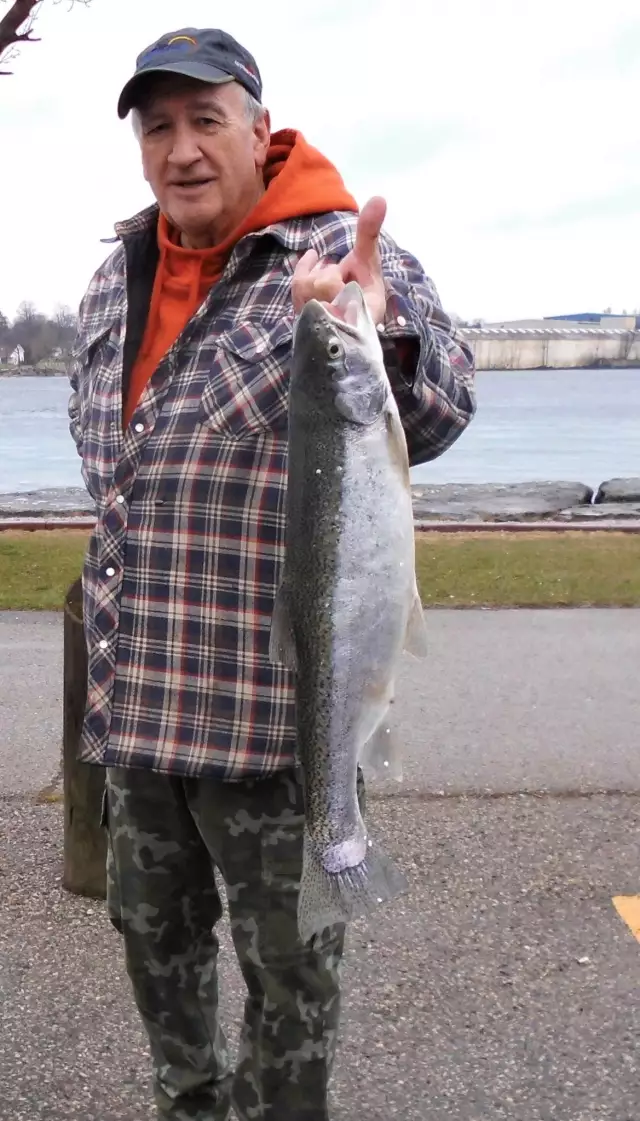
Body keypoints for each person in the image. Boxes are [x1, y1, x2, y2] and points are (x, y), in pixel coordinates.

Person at [67, 25, 476, 1121]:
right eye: (158, 126)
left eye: (205, 120)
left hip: (270, 725)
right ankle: (187, 1104)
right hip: (139, 709)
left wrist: (380, 337)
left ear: (259, 126)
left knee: (292, 979)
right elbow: (116, 467)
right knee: (155, 952)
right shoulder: (118, 275)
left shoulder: (333, 252)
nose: (181, 148)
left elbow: (435, 414)